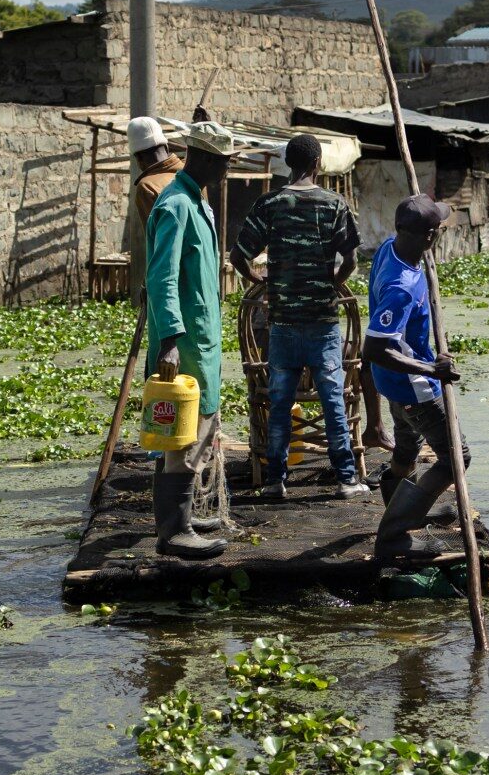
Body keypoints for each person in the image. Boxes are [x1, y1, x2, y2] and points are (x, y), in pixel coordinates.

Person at [231, 134, 368, 500]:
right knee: (333, 400)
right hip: (322, 323)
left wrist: (261, 280)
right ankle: (346, 480)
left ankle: (276, 481)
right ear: (317, 163)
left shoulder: (271, 204)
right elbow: (352, 259)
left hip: (283, 324)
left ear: (288, 164)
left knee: (279, 404)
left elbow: (238, 256)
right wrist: (332, 282)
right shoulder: (333, 204)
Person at [144, 121, 234, 559]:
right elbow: (160, 278)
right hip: (185, 342)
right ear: (206, 160)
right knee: (180, 435)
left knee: (199, 429)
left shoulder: (199, 204)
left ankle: (181, 519)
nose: (225, 172)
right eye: (222, 164)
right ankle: (173, 532)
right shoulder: (175, 205)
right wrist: (170, 340)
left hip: (203, 339)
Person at [363, 194, 467, 562]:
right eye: (436, 230)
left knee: (407, 447)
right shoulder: (401, 285)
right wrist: (431, 369)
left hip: (391, 383)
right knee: (457, 459)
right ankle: (395, 533)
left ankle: (400, 506)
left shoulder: (390, 249)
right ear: (429, 236)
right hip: (413, 386)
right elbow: (375, 348)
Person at [122, 117, 183, 306]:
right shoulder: (190, 174)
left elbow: (160, 245)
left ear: (138, 158)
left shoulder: (147, 187)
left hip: (170, 282)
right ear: (166, 146)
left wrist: (150, 284)